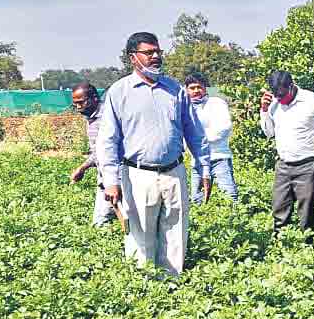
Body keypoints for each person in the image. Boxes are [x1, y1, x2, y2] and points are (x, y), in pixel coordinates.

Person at [97, 32, 211, 276]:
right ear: (133, 58)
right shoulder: (119, 92)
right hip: (138, 174)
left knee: (175, 232)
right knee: (140, 235)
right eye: (149, 53)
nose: (156, 57)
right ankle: (145, 287)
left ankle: (171, 283)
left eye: (158, 52)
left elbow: (195, 133)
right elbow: (107, 140)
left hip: (174, 171)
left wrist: (204, 168)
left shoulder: (175, 90)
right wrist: (111, 182)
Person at [259, 70, 314, 232]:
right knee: (279, 208)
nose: (279, 99)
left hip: (308, 165)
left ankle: (307, 247)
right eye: (276, 95)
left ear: (291, 86)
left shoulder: (313, 101)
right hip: (284, 166)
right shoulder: (274, 104)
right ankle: (281, 245)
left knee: (306, 212)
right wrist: (264, 109)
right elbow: (269, 133)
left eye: (281, 94)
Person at [183, 72, 238, 204]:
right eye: (192, 88)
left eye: (199, 87)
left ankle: (235, 222)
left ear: (205, 88)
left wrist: (198, 139)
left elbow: (223, 128)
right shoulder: (184, 107)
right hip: (197, 161)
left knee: (229, 196)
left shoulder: (216, 103)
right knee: (197, 199)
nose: (196, 91)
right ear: (186, 89)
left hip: (219, 157)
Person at [69, 81, 115, 227]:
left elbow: (105, 151)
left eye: (81, 102)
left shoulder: (106, 118)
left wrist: (82, 168)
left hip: (114, 177)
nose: (78, 107)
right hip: (104, 177)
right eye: (75, 104)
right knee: (103, 221)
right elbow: (98, 152)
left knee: (102, 222)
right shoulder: (92, 118)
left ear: (94, 98)